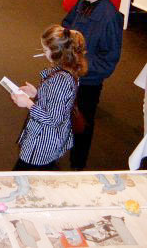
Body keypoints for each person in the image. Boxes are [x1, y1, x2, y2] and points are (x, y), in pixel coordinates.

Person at [62, 0, 123, 170]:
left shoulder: (110, 17)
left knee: (82, 125)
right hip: (69, 74)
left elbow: (109, 60)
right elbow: (66, 25)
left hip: (88, 82)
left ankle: (78, 166)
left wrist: (80, 64)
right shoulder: (83, 3)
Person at [10, 25, 88, 171]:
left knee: (23, 174)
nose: (43, 53)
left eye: (45, 50)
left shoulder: (60, 80)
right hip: (52, 140)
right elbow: (57, 102)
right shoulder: (68, 69)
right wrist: (36, 94)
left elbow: (53, 119)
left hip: (43, 142)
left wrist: (28, 104)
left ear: (57, 53)